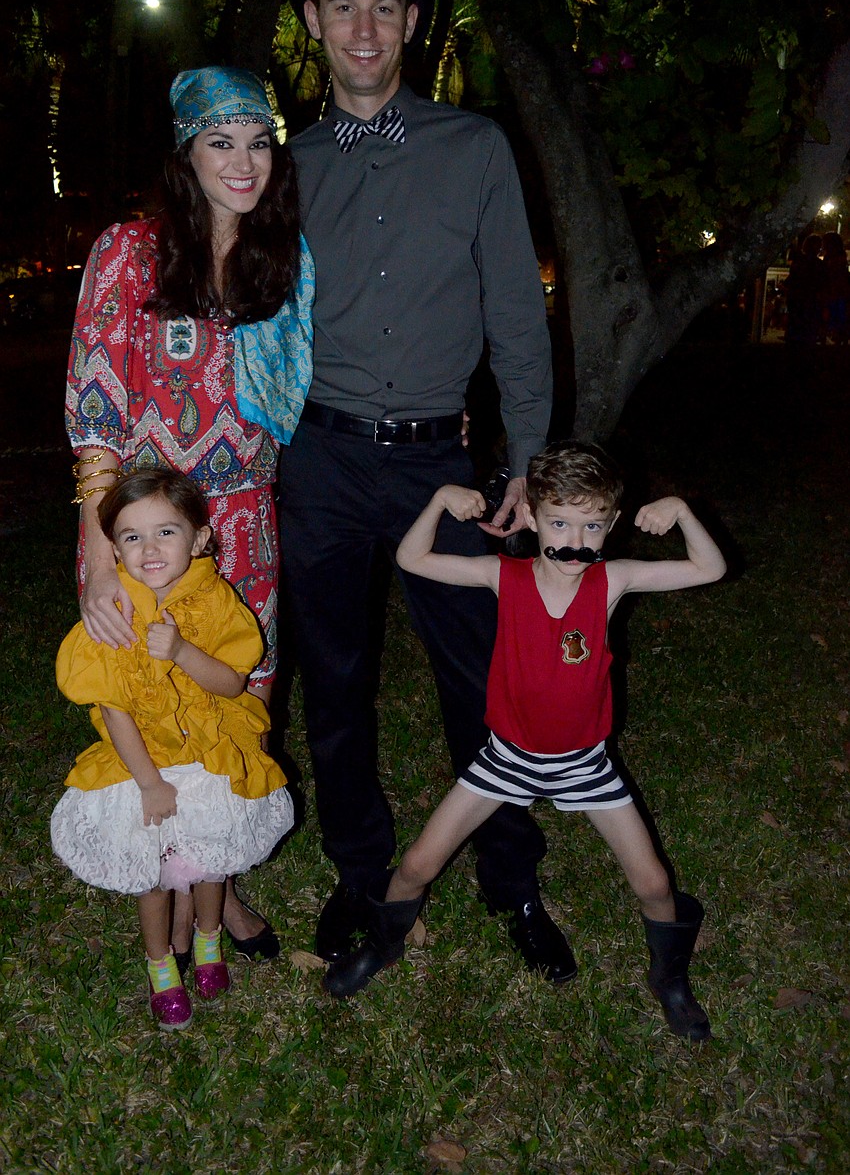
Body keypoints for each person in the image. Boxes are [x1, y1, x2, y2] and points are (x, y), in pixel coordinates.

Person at [280, 0, 567, 978]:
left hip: (439, 469)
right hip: (318, 461)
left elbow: (516, 321)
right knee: (336, 681)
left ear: (409, 23)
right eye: (342, 5)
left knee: (482, 678)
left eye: (385, 6)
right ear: (313, 21)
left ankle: (511, 877)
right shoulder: (284, 168)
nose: (364, 27)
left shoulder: (474, 148)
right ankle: (360, 873)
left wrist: (525, 465)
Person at [323, 442, 726, 1043]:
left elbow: (709, 569)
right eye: (560, 522)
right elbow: (413, 559)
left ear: (612, 525)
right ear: (533, 518)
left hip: (584, 765)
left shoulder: (612, 580)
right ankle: (384, 946)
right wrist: (437, 500)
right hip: (504, 759)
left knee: (655, 884)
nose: (575, 540)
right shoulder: (500, 574)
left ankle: (669, 979)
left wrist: (683, 513)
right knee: (416, 864)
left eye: (592, 525)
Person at [65, 65, 314, 966]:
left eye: (258, 143)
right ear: (186, 152)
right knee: (153, 697)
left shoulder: (280, 261)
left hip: (246, 527)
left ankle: (223, 872)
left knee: (240, 694)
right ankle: (168, 868)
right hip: (142, 535)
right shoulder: (129, 250)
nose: (243, 162)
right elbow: (96, 413)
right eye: (221, 141)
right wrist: (101, 557)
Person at [51, 470, 295, 1030]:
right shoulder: (112, 616)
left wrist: (183, 650)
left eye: (166, 532)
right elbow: (114, 709)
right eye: (132, 537)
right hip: (147, 763)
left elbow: (234, 682)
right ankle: (161, 964)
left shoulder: (216, 602)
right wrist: (149, 783)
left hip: (209, 752)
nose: (150, 549)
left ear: (201, 539)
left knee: (213, 857)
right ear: (113, 550)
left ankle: (208, 939)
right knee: (152, 871)